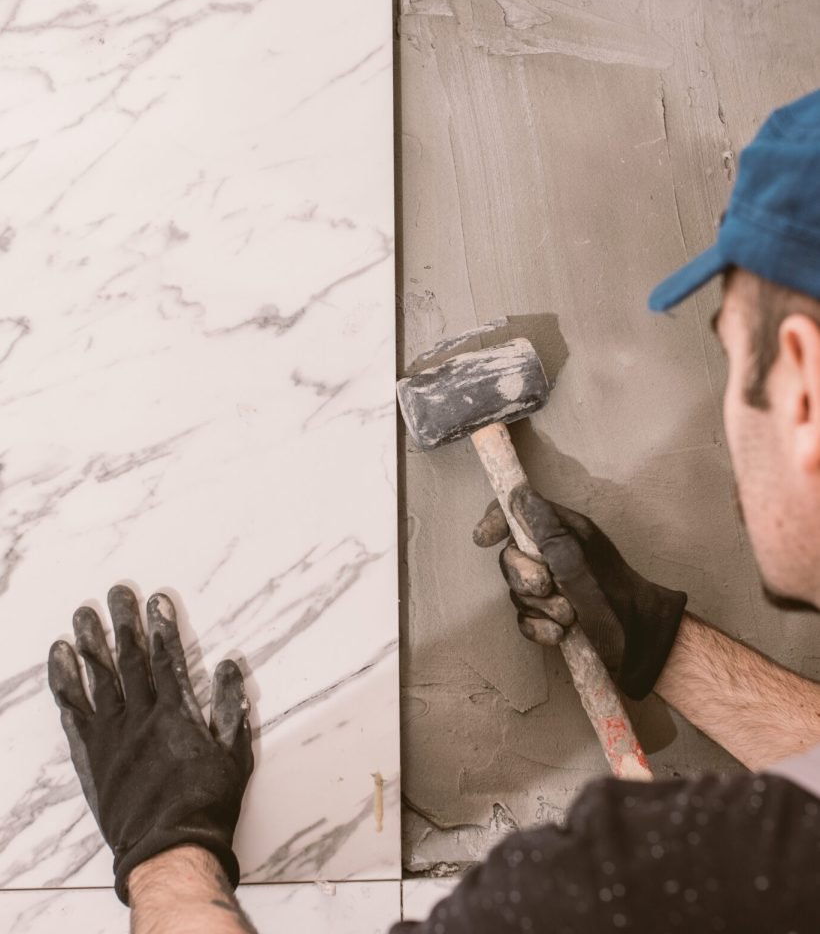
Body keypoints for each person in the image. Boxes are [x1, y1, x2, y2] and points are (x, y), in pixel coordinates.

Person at [48, 88, 820, 932]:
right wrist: (661, 644)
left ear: (800, 378)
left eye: (728, 349)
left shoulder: (619, 887)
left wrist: (168, 852)